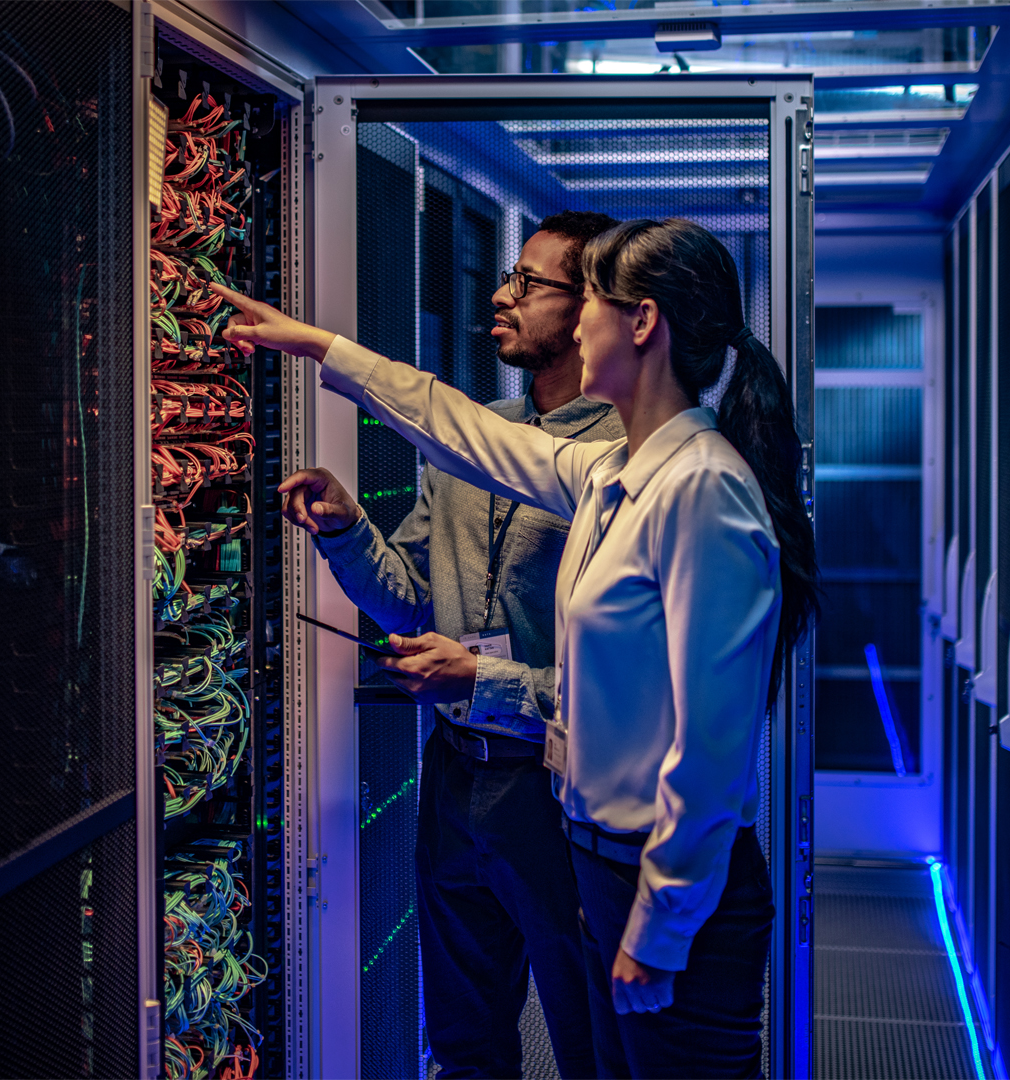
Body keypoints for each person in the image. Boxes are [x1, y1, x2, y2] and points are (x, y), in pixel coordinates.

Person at [212, 217, 819, 1079]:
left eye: (591, 304)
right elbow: (457, 427)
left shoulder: (704, 492)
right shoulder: (615, 476)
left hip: (665, 888)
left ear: (642, 323)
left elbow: (714, 748)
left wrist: (660, 927)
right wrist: (317, 348)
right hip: (603, 863)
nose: (575, 327)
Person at [274, 211, 621, 1079]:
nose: (500, 297)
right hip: (455, 780)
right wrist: (348, 529)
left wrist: (486, 676)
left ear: (589, 309)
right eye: (507, 277)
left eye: (528, 283)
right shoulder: (466, 447)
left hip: (558, 788)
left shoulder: (624, 462)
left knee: (590, 1042)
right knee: (464, 1046)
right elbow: (410, 603)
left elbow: (631, 688)